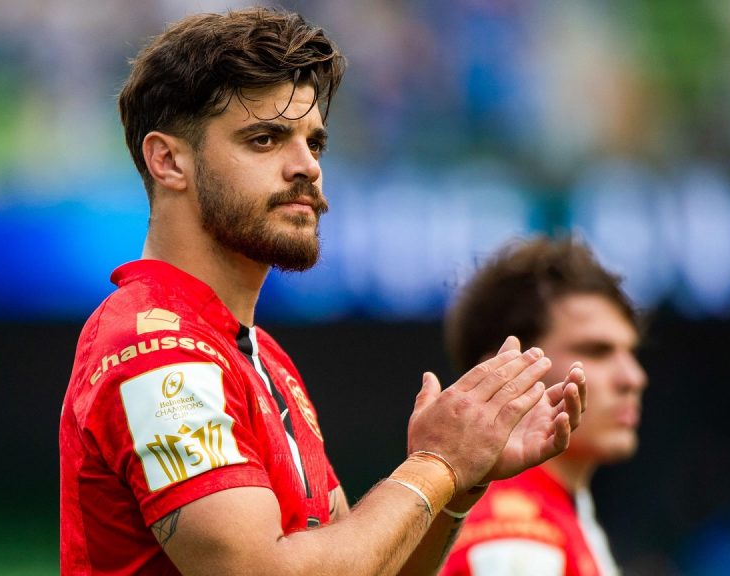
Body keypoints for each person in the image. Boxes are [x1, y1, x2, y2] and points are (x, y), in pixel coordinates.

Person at [58, 8, 587, 575]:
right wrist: (437, 463)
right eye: (265, 139)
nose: (306, 166)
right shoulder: (157, 353)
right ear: (167, 161)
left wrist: (459, 481)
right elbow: (260, 573)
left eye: (314, 143)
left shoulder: (259, 356)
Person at [439, 236, 647, 576]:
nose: (633, 378)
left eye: (631, 353)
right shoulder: (516, 539)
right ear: (505, 371)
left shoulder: (556, 514)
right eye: (597, 351)